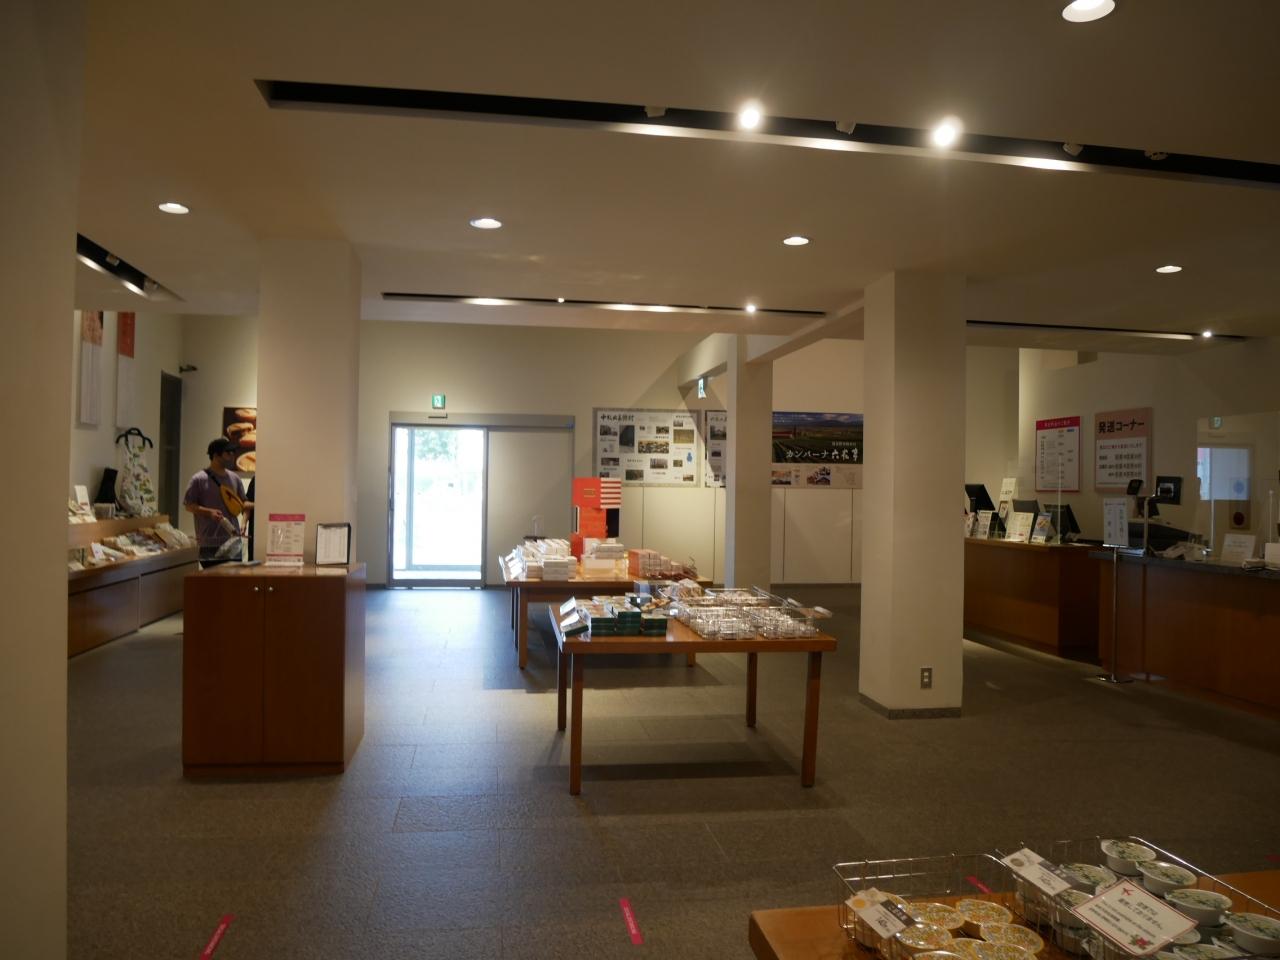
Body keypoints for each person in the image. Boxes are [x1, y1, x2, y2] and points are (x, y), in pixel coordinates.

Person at [184, 437, 253, 566]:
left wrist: (260, 505)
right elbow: (188, 506)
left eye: (233, 452)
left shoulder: (235, 478)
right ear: (216, 455)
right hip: (209, 542)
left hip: (233, 541)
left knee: (233, 577)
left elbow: (243, 503)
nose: (232, 456)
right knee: (212, 578)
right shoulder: (198, 479)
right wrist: (208, 512)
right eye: (228, 453)